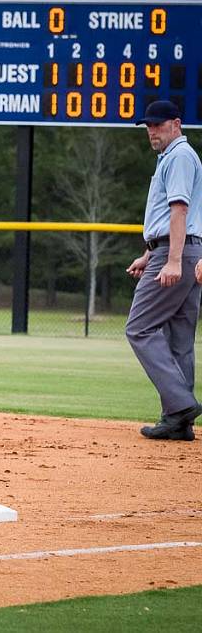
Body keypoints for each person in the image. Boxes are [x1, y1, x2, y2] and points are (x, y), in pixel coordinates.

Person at [126, 100, 202, 441]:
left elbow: (179, 211)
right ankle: (179, 422)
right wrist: (149, 253)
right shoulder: (175, 158)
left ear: (177, 123)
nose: (152, 131)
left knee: (139, 328)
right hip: (184, 250)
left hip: (177, 253)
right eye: (148, 126)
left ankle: (181, 404)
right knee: (179, 339)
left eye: (158, 125)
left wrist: (170, 260)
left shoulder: (180, 156)